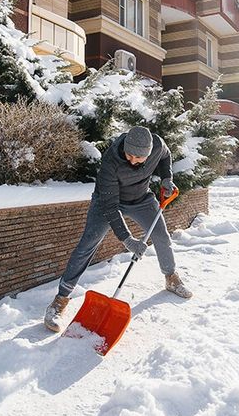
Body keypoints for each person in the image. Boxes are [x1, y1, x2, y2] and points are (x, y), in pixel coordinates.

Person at [44, 126, 191, 332]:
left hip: (140, 199)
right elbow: (111, 207)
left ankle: (171, 277)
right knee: (88, 244)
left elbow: (166, 156)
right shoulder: (111, 161)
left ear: (149, 152)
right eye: (129, 155)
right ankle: (60, 300)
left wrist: (167, 178)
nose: (132, 160)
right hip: (108, 201)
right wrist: (127, 239)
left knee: (161, 236)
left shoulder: (157, 145)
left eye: (138, 158)